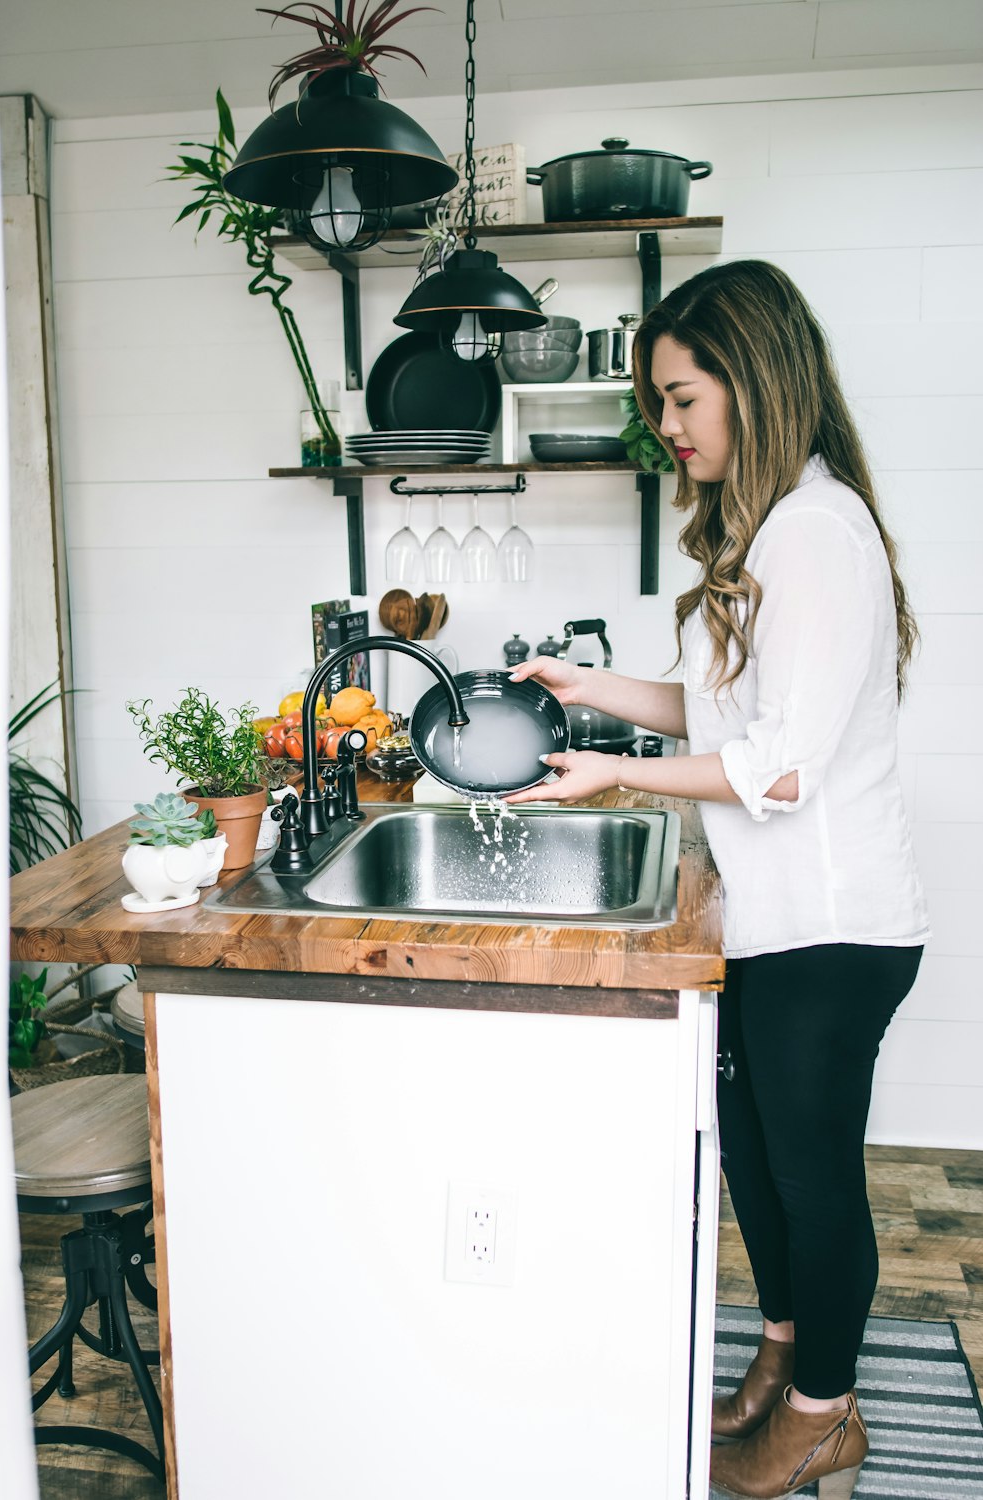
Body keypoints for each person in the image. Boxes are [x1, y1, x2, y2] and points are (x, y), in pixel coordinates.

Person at [505, 259, 929, 1500]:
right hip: (770, 918)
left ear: (754, 379)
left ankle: (823, 1416)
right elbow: (713, 705)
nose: (668, 426)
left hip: (834, 927)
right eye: (660, 404)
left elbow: (779, 768)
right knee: (756, 1163)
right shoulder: (767, 524)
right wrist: (591, 695)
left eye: (684, 397)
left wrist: (617, 780)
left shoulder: (815, 533)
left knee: (809, 1177)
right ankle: (787, 1357)